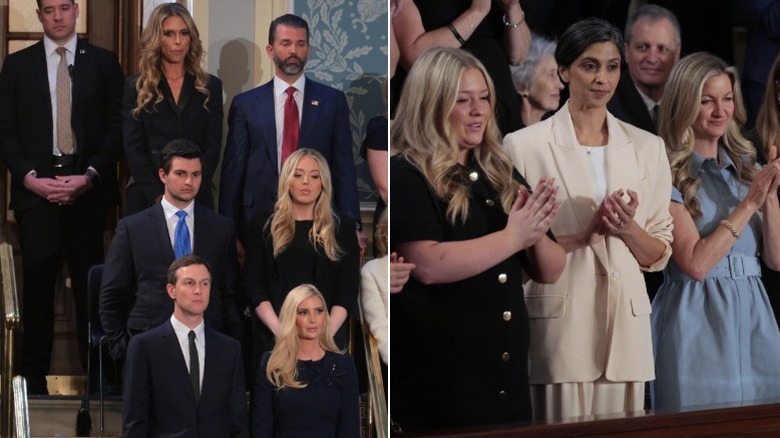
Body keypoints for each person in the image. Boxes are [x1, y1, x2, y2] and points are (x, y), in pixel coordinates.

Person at [503, 18, 673, 420]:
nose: (602, 78)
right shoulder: (524, 146)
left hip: (626, 340)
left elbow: (660, 254)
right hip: (560, 334)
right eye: (589, 65)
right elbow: (515, 251)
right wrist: (584, 232)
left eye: (612, 66)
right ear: (563, 70)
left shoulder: (648, 147)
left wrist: (627, 227)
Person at [391, 47, 566, 432]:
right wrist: (515, 235)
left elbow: (552, 270)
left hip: (505, 381)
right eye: (463, 100)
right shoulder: (406, 172)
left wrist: (534, 230)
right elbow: (428, 265)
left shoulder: (499, 169)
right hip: (443, 385)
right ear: (431, 104)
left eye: (484, 97)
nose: (479, 110)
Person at [0, 0, 124, 394]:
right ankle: (32, 385)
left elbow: (117, 131)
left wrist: (89, 176)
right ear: (39, 14)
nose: (58, 16)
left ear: (77, 12)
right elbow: (6, 133)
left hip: (87, 191)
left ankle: (100, 384)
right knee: (36, 291)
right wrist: (31, 179)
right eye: (49, 9)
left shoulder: (104, 63)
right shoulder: (17, 66)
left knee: (93, 292)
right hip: (37, 193)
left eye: (65, 7)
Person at [651, 52, 780, 410]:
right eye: (707, 101)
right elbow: (695, 263)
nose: (720, 110)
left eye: (726, 99)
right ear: (684, 104)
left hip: (755, 314)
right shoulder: (666, 170)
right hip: (696, 315)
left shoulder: (748, 166)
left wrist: (769, 198)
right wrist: (750, 204)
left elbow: (776, 257)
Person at [220, 14, 361, 249]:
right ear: (270, 50)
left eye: (300, 44)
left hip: (317, 222)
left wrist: (353, 225)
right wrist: (228, 231)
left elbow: (343, 167)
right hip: (257, 221)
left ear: (308, 49)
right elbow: (233, 174)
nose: (293, 50)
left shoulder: (332, 101)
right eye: (285, 43)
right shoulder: (245, 104)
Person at [100, 139, 242, 363]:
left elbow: (230, 293)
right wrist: (122, 349)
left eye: (196, 175)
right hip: (148, 345)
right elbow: (111, 295)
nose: (189, 181)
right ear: (163, 175)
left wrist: (232, 344)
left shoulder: (221, 228)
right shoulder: (132, 229)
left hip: (208, 344)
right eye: (181, 173)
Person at [242, 148, 359, 386]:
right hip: (274, 337)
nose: (306, 182)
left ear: (323, 183)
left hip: (327, 340)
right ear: (287, 180)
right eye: (298, 175)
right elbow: (255, 289)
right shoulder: (263, 226)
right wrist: (282, 334)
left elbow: (346, 292)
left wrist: (321, 337)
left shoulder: (343, 228)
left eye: (314, 176)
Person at [123, 255, 248, 437]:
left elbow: (238, 422)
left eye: (205, 284)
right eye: (189, 283)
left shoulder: (230, 349)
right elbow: (135, 422)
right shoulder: (145, 347)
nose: (198, 290)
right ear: (171, 290)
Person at [123, 2, 222, 215]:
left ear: (191, 38)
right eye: (169, 34)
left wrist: (190, 185)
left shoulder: (210, 86)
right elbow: (133, 148)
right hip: (148, 194)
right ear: (156, 39)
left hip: (196, 193)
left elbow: (212, 146)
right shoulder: (137, 87)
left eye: (184, 33)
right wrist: (159, 195)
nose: (177, 41)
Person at [391, 0, 531, 135]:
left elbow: (518, 56)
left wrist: (512, 6)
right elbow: (415, 59)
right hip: (449, 110)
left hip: (500, 104)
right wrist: (477, 12)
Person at [249, 284, 359, 437]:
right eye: (303, 312)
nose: (313, 319)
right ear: (291, 317)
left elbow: (350, 431)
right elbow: (261, 429)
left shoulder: (343, 366)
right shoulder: (271, 364)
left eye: (319, 311)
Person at [607, 4, 681, 135]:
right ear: (627, 51)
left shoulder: (688, 101)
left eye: (662, 49)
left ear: (676, 55)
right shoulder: (606, 105)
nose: (652, 59)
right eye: (642, 47)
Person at [510, 34, 563, 128]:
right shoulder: (501, 136)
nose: (561, 85)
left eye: (557, 75)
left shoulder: (559, 133)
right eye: (551, 75)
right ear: (522, 85)